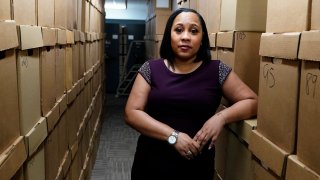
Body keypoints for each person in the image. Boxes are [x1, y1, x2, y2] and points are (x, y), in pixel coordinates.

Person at [124, 8, 258, 180]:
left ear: (202, 38)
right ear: (169, 35)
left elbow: (253, 101)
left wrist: (221, 117)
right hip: (152, 164)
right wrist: (173, 136)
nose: (185, 36)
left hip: (196, 166)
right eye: (178, 30)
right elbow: (131, 113)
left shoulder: (217, 70)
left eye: (193, 31)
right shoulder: (151, 69)